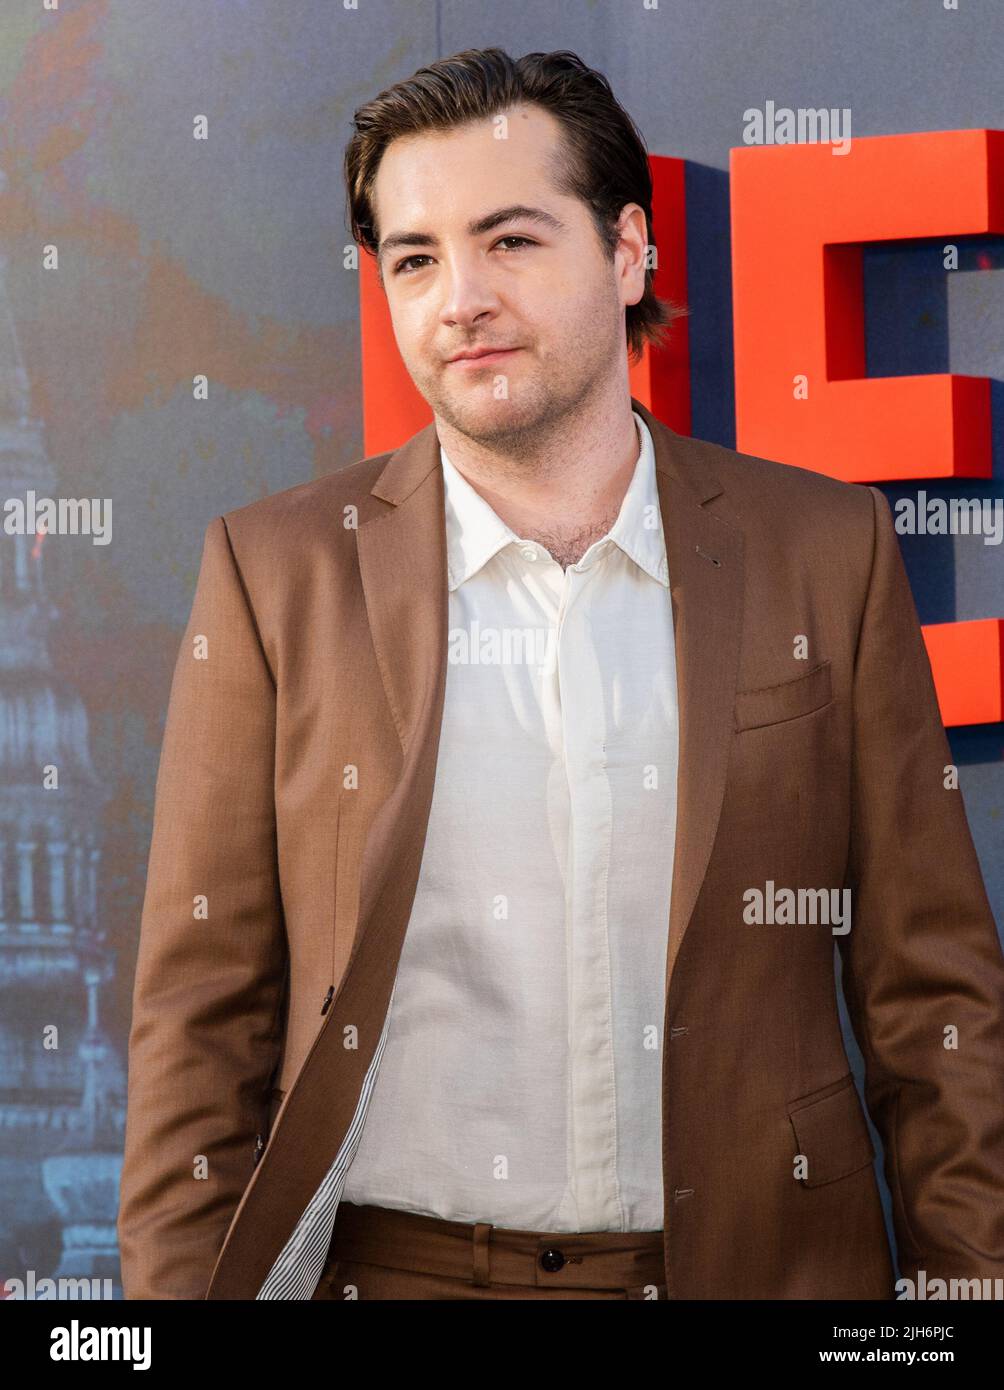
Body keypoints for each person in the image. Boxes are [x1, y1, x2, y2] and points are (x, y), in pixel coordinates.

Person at [117, 48, 1004, 1301]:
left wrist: (969, 1291)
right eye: (412, 257)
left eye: (510, 240)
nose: (456, 298)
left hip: (759, 1270)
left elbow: (931, 993)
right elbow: (201, 1021)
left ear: (628, 251)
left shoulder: (821, 549)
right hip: (396, 1274)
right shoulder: (277, 576)